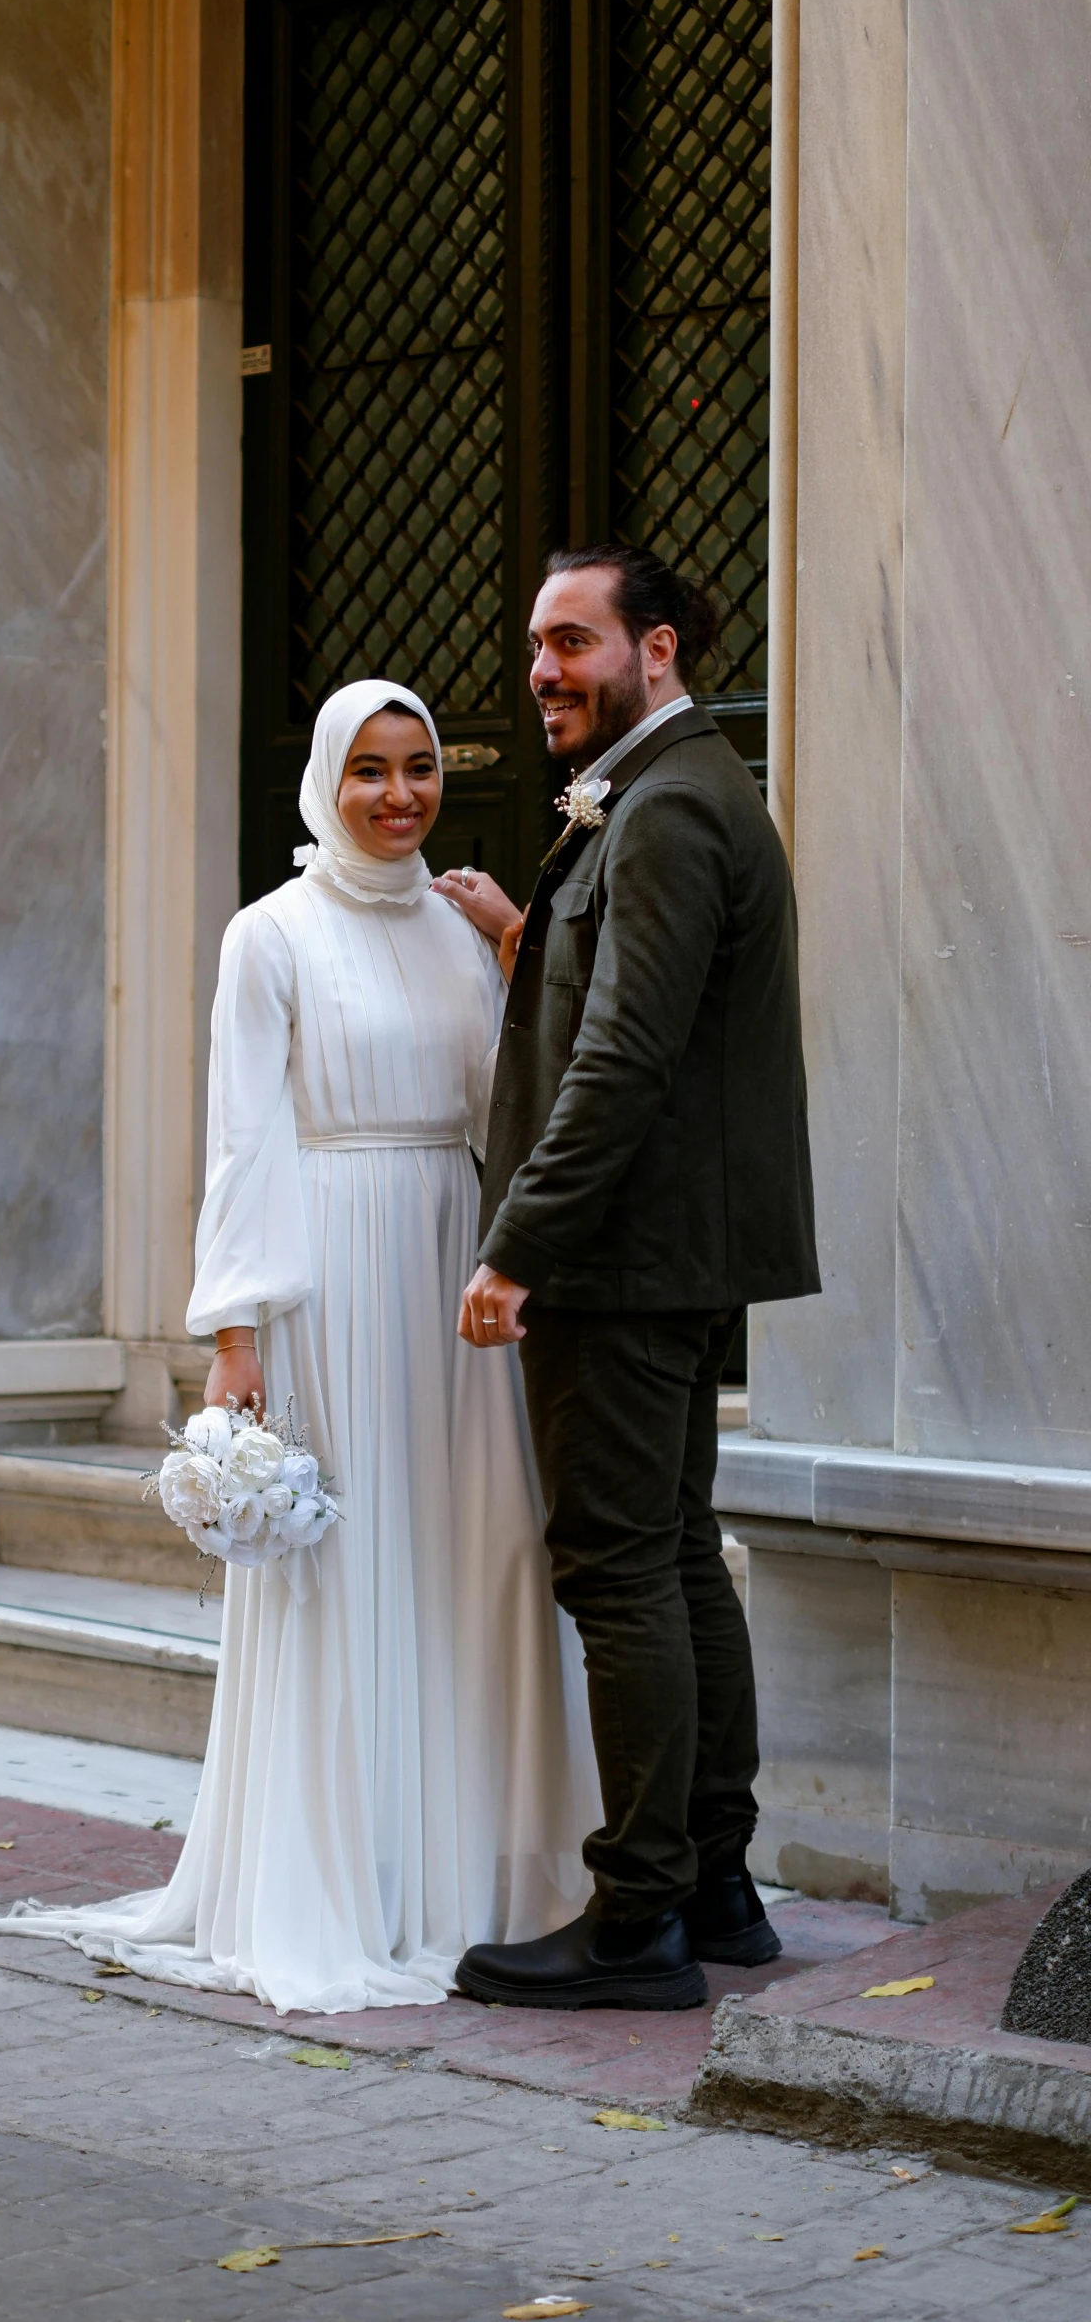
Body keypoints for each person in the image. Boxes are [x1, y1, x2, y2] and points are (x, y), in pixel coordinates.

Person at [0, 678, 596, 2014]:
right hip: (330, 1277)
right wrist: (237, 1334)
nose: (397, 794)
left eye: (419, 766)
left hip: (456, 1275)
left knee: (471, 1556)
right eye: (369, 768)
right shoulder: (268, 937)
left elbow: (512, 1109)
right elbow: (244, 1137)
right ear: (326, 777)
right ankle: (344, 1884)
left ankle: (470, 1881)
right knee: (349, 1572)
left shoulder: (455, 927)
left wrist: (512, 950)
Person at [433, 544, 819, 2013]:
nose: (543, 666)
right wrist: (525, 939)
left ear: (655, 649)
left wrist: (520, 1245)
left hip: (620, 1254)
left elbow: (626, 1057)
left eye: (573, 640)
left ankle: (638, 1912)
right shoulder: (677, 792)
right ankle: (715, 1882)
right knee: (668, 1546)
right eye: (538, 641)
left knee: (617, 1566)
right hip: (670, 1246)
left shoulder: (666, 809)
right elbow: (630, 999)